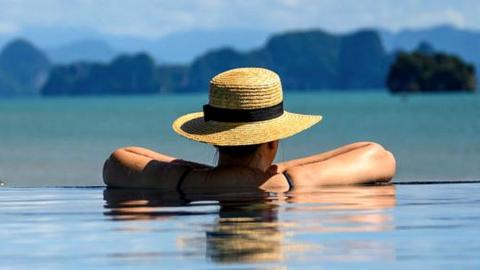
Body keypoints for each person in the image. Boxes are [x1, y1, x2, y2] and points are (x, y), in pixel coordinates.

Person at [103, 67, 396, 192]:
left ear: (214, 141)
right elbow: (378, 155)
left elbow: (119, 159)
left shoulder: (179, 182)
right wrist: (281, 169)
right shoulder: (290, 182)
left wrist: (199, 173)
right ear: (273, 142)